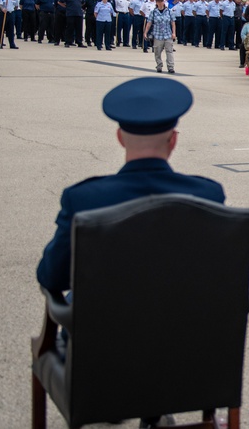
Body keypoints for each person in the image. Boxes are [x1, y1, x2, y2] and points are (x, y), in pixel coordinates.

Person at [35, 77, 225, 429]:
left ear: (120, 137)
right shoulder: (209, 195)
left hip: (105, 350)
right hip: (185, 349)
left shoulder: (86, 199)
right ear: (174, 140)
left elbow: (51, 277)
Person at [144, 0, 176, 74]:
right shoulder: (153, 12)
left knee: (169, 51)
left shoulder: (169, 11)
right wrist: (145, 32)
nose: (161, 3)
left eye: (162, 1)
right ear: (157, 2)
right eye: (159, 1)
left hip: (167, 34)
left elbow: (173, 23)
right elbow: (149, 23)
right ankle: (159, 65)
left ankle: (170, 67)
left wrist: (174, 33)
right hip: (158, 35)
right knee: (157, 52)